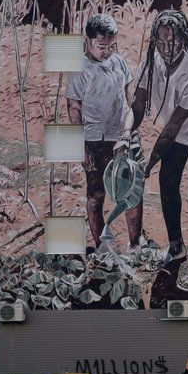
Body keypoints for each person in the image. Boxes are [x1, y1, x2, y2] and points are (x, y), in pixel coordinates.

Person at [130, 9, 188, 269]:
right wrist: (127, 132)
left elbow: (172, 128)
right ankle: (177, 246)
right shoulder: (149, 62)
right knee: (167, 182)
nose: (166, 48)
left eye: (173, 42)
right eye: (161, 42)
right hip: (181, 130)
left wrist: (149, 162)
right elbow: (137, 103)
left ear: (183, 40)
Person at [66, 13, 142, 251]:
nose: (107, 51)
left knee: (131, 191)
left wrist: (132, 128)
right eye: (101, 46)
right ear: (88, 41)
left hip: (121, 137)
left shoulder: (118, 62)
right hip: (95, 139)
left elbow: (128, 94)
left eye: (111, 46)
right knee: (97, 193)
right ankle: (102, 245)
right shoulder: (80, 68)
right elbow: (74, 106)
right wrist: (81, 146)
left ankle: (135, 243)